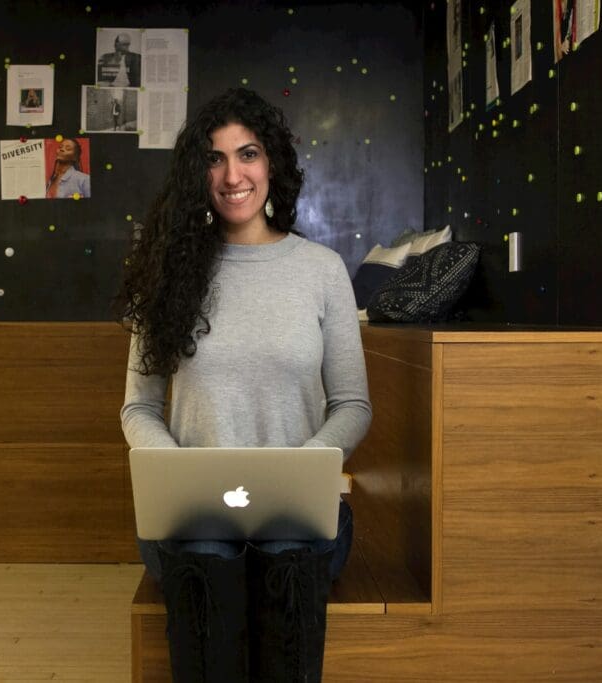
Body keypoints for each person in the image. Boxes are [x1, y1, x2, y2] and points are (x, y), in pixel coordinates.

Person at [117, 88, 371, 682]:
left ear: (272, 164)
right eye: (214, 158)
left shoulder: (322, 271)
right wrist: (179, 476)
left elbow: (353, 404)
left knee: (287, 555)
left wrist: (303, 468)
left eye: (248, 153)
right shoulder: (166, 272)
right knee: (207, 555)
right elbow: (139, 408)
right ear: (195, 175)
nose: (233, 174)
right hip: (191, 522)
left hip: (299, 518)